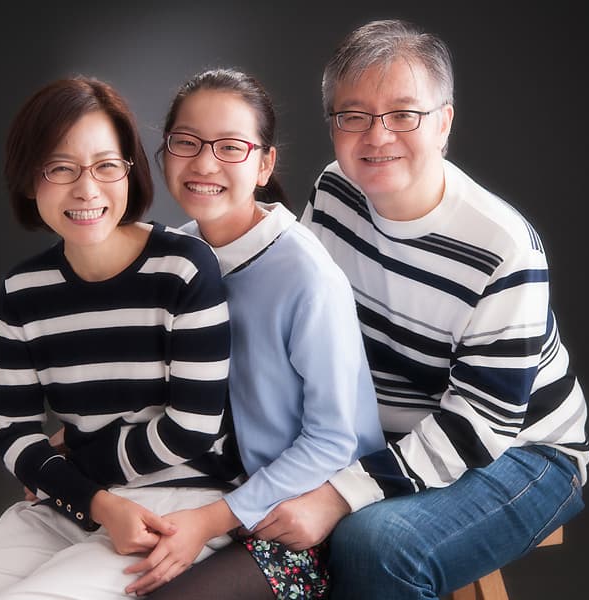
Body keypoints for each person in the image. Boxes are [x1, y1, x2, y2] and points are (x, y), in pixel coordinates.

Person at [146, 18, 589, 600]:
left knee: (374, 542)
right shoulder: (336, 191)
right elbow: (293, 313)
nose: (377, 136)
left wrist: (336, 495)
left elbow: (478, 427)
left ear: (444, 122)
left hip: (517, 453)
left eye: (403, 114)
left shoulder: (503, 248)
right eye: (353, 116)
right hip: (368, 438)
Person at [0, 76, 243, 600]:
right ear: (29, 180)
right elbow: (13, 432)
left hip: (178, 500)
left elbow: (193, 428)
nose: (86, 190)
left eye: (106, 166)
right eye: (60, 168)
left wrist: (67, 471)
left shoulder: (183, 268)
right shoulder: (23, 291)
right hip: (76, 503)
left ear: (130, 171)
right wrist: (92, 499)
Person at [122, 67, 385, 599]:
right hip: (192, 490)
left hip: (299, 517)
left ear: (265, 163)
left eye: (230, 147)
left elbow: (335, 440)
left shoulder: (305, 274)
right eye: (187, 142)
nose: (204, 163)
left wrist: (212, 519)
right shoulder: (174, 256)